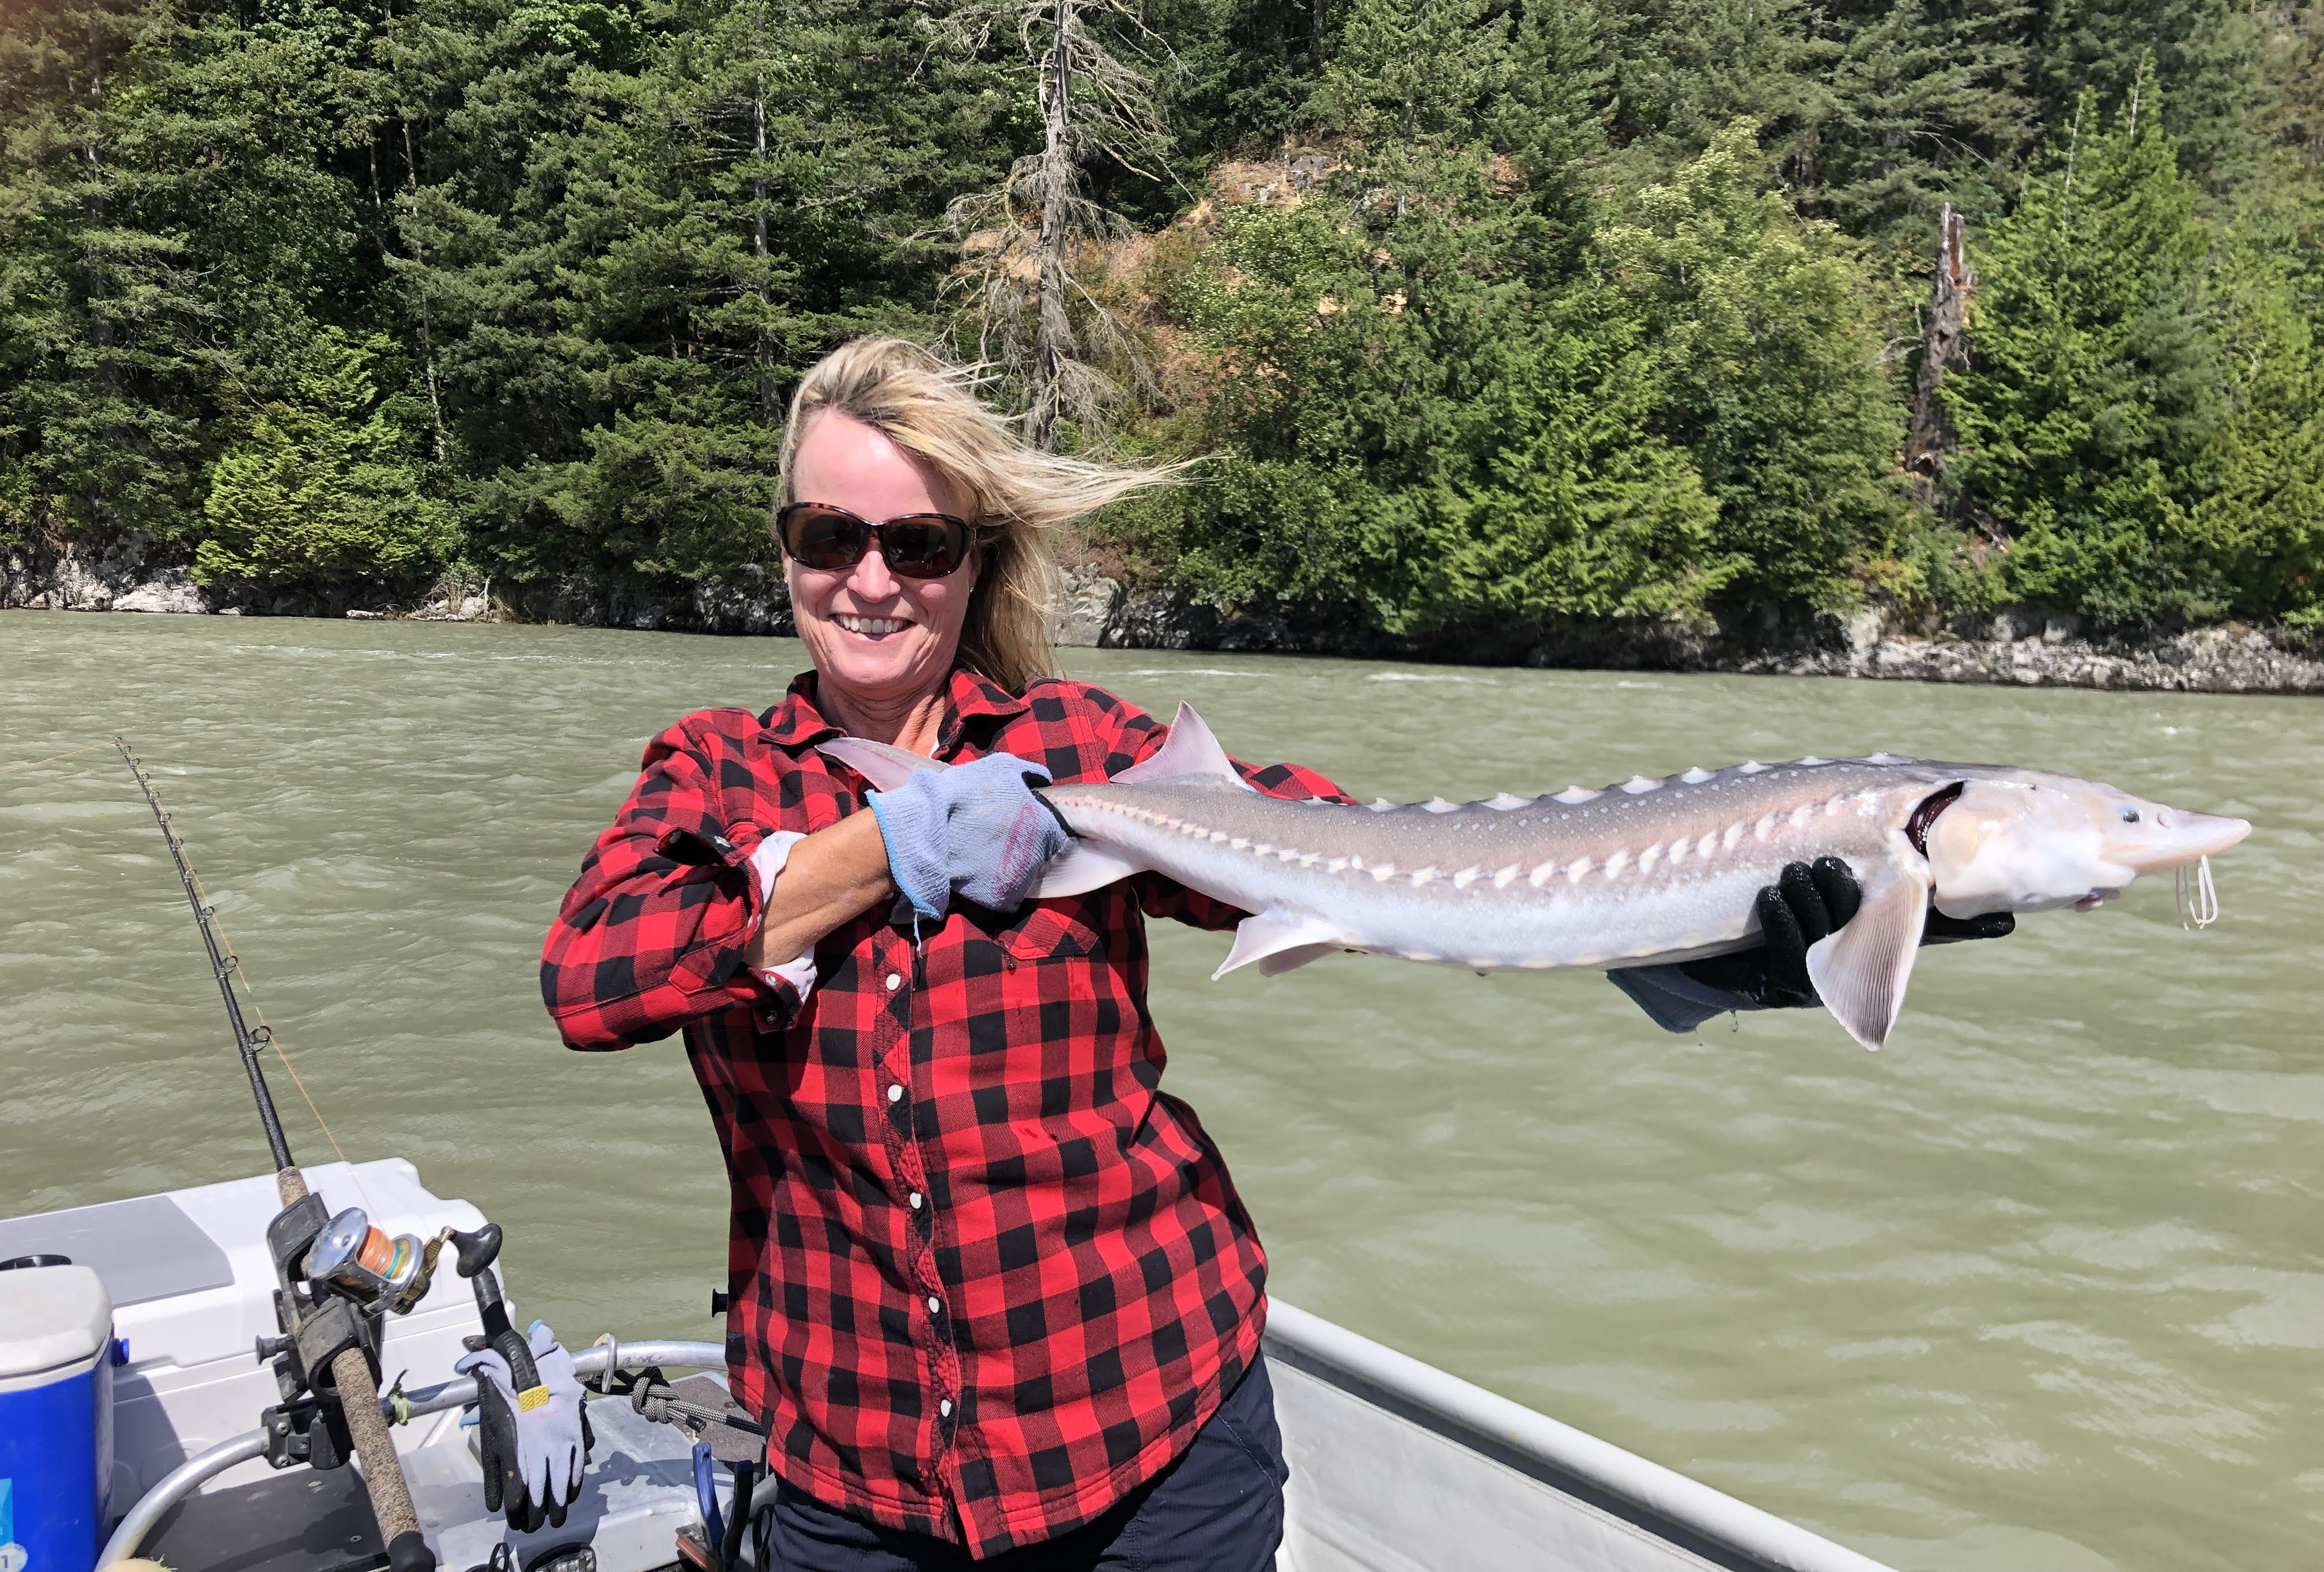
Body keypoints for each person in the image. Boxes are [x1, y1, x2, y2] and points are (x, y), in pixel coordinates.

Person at [533, 338, 1999, 1567]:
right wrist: (881, 851)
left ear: (978, 565)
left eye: (916, 544)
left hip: (1150, 1428)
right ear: (784, 547)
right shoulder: (716, 774)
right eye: (826, 536)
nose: (869, 579)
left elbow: (1395, 871)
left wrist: (1718, 936)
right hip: (854, 1471)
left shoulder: (1086, 753)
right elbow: (593, 985)